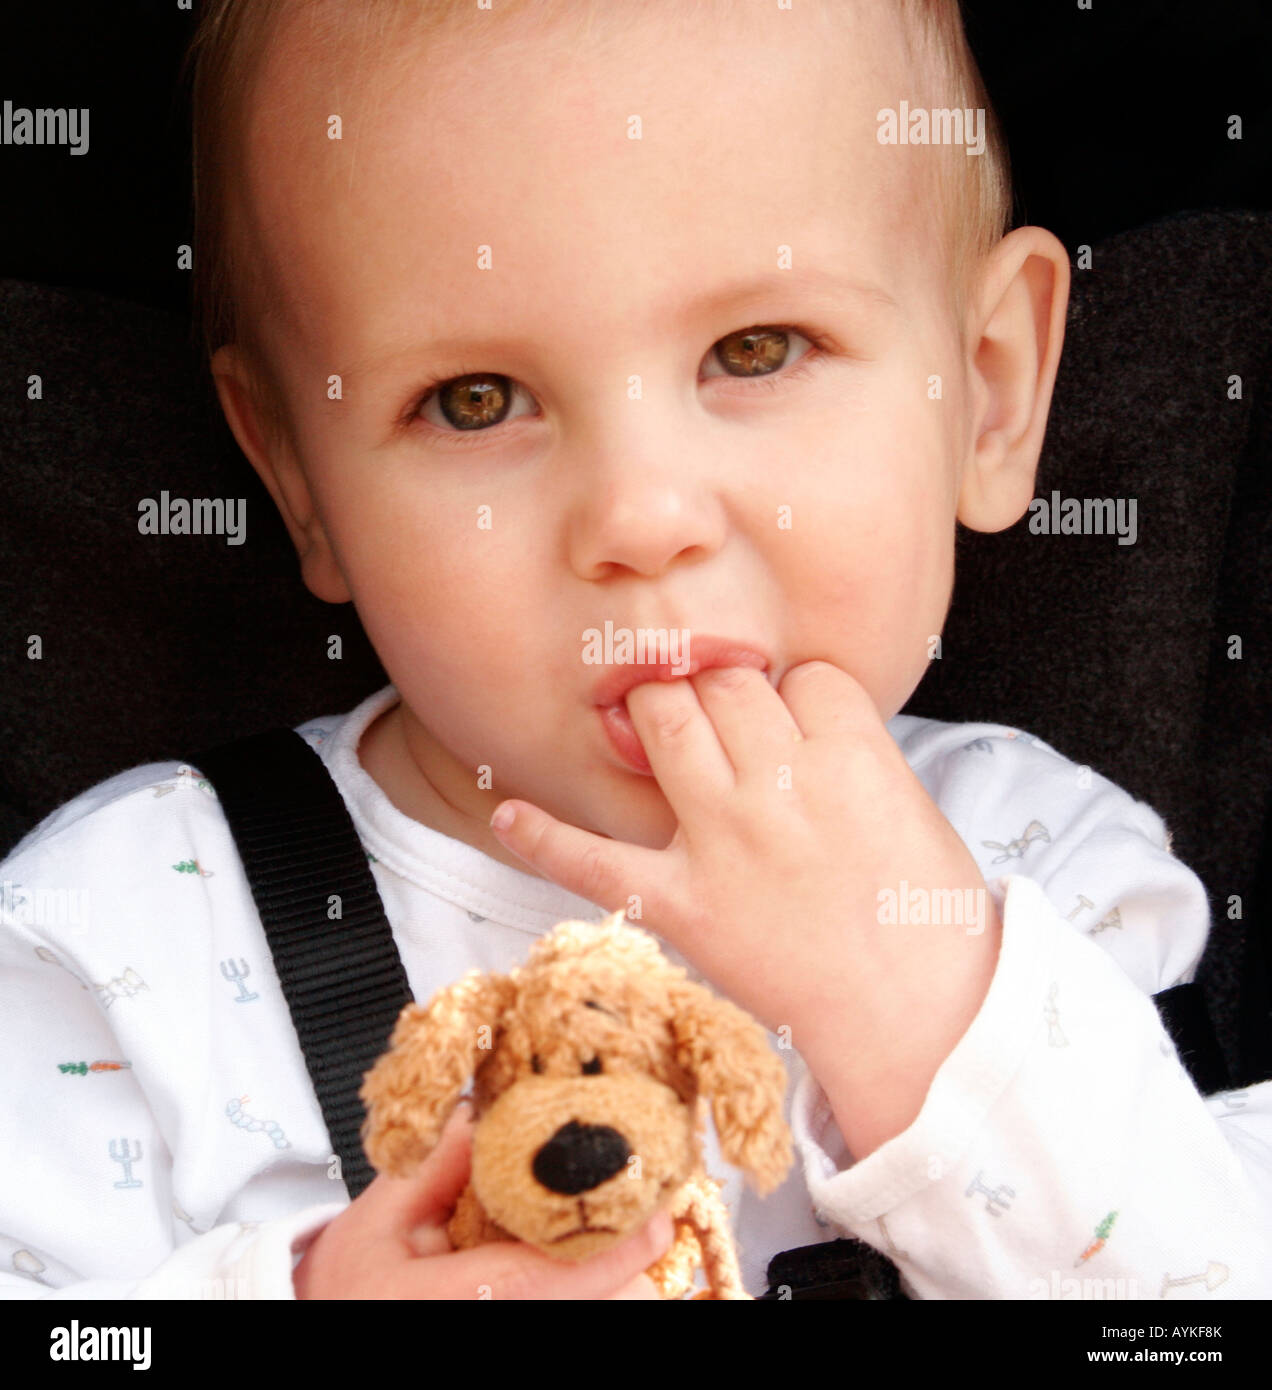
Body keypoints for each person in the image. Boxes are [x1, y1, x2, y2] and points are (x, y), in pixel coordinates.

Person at [2, 0, 1269, 1300]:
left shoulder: (1047, 879)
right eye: (476, 401)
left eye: (755, 351)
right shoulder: (126, 943)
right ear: (301, 480)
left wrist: (938, 1028)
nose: (642, 516)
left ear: (987, 387)